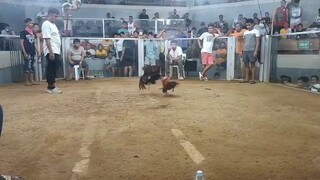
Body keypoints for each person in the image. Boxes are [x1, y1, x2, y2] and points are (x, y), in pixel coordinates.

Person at [42, 7, 62, 94]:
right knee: (51, 68)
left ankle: (53, 84)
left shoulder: (53, 25)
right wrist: (51, 51)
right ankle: (51, 86)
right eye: (55, 16)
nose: (56, 18)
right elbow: (47, 38)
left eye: (57, 16)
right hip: (52, 49)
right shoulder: (46, 24)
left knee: (55, 66)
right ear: (50, 14)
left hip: (56, 49)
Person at [20, 18, 39, 86]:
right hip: (27, 51)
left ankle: (32, 80)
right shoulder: (23, 32)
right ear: (26, 23)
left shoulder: (33, 32)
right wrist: (24, 52)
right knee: (26, 65)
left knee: (32, 65)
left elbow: (34, 43)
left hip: (32, 51)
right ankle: (27, 81)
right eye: (29, 23)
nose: (31, 24)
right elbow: (21, 43)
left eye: (31, 23)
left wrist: (38, 51)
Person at [241, 18, 260, 84]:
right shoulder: (245, 32)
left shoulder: (256, 31)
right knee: (246, 65)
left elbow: (257, 42)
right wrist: (242, 50)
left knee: (253, 65)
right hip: (245, 50)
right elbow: (244, 42)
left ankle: (253, 79)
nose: (248, 26)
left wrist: (256, 51)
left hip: (252, 50)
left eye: (249, 25)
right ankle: (246, 79)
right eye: (246, 25)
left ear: (252, 24)